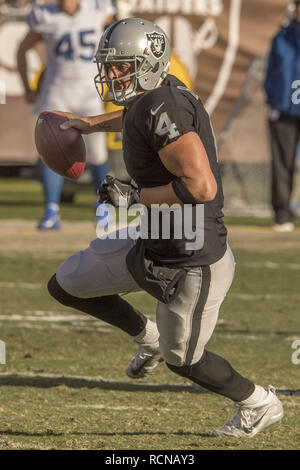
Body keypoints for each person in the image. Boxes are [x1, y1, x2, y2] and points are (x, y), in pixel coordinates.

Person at [47, 17, 283, 437]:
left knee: (185, 360)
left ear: (148, 64)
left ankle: (258, 402)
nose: (112, 74)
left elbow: (202, 185)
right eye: (110, 65)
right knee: (66, 284)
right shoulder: (156, 95)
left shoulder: (164, 105)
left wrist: (135, 197)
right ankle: (147, 335)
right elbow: (136, 116)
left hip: (191, 257)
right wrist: (89, 123)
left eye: (121, 66)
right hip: (154, 238)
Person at [17, 0, 115, 229]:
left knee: (98, 153)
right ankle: (52, 209)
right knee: (51, 151)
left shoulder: (98, 9)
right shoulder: (44, 15)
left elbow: (115, 33)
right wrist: (26, 88)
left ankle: (102, 206)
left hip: (91, 92)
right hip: (57, 91)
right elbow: (22, 49)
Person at [264, 0, 300, 232]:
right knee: (283, 162)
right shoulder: (282, 36)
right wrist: (273, 103)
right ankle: (282, 213)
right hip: (285, 110)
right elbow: (272, 73)